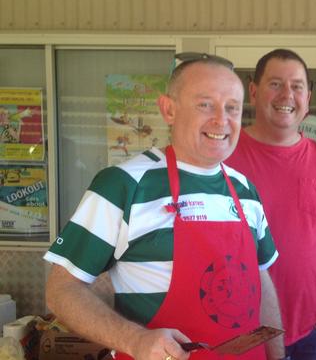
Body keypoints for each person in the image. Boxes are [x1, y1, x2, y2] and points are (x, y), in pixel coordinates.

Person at [44, 53, 286, 360]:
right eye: (205, 104)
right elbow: (62, 291)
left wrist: (279, 356)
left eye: (232, 108)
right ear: (168, 109)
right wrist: (135, 340)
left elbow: (260, 279)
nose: (221, 120)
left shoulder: (245, 190)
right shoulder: (123, 185)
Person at [226, 49, 316, 360]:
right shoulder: (224, 159)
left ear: (308, 97)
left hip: (311, 334)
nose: (287, 94)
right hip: (241, 333)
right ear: (254, 91)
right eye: (276, 84)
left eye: (297, 86)